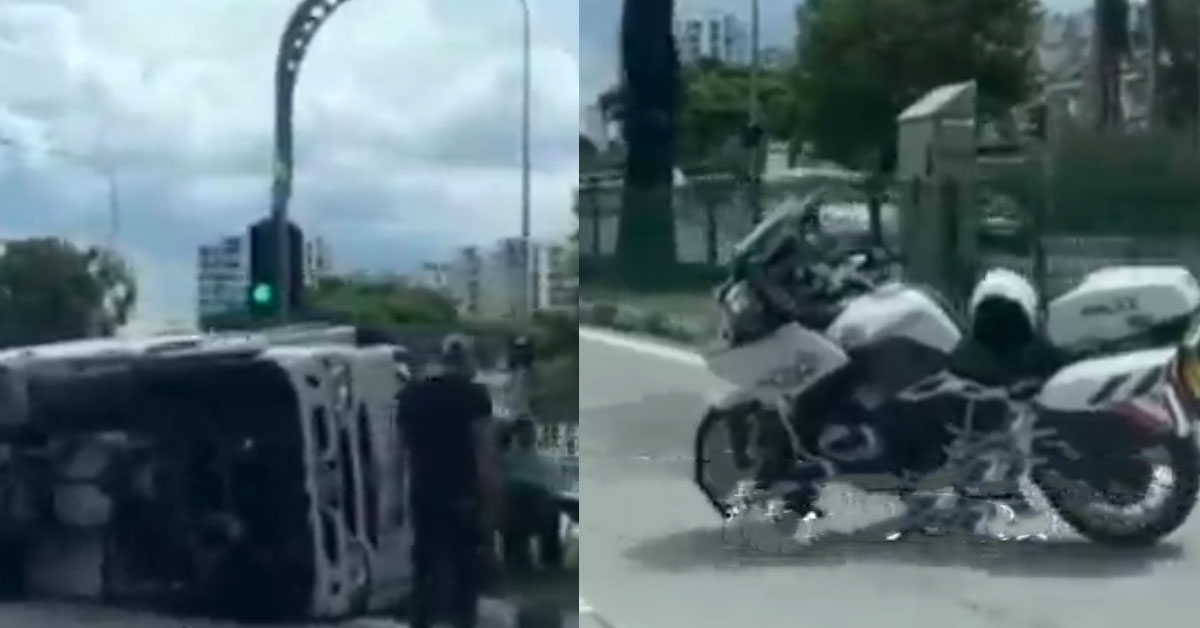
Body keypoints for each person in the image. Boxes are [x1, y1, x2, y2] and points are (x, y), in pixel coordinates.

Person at [397, 334, 503, 628]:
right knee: (465, 562)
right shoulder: (474, 395)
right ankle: (462, 619)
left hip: (423, 489)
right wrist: (492, 494)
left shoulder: (410, 395)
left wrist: (394, 496)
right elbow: (485, 449)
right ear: (467, 360)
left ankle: (420, 619)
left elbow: (397, 451)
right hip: (462, 490)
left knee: (425, 560)